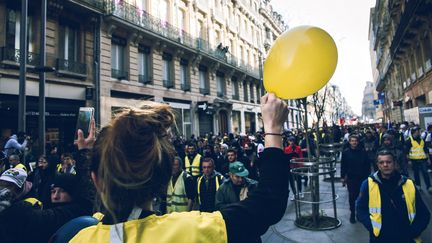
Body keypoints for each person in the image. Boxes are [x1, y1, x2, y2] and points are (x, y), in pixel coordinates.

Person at [70, 93, 290, 243]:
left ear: (95, 179)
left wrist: (86, 154)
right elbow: (268, 202)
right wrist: (272, 127)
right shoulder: (186, 232)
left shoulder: (80, 238)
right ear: (162, 177)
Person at [0, 121, 95, 243]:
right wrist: (84, 152)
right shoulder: (23, 217)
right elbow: (85, 205)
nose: (55, 196)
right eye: (53, 191)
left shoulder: (28, 213)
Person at [356, 150, 430, 242]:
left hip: (406, 238)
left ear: (394, 163)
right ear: (378, 165)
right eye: (381, 162)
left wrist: (414, 231)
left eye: (388, 162)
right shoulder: (368, 184)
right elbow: (360, 209)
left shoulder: (408, 184)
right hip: (380, 238)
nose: (385, 165)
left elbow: (424, 213)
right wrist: (372, 227)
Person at [341, 134, 371, 223]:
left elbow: (367, 165)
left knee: (361, 196)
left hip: (362, 177)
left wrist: (368, 176)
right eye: (352, 141)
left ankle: (359, 213)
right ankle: (352, 213)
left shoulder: (363, 152)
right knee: (352, 196)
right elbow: (343, 165)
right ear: (349, 142)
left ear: (358, 142)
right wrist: (343, 177)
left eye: (355, 141)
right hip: (351, 178)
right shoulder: (346, 152)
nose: (354, 142)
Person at [404, 126, 432, 193]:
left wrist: (428, 159)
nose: (419, 133)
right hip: (414, 160)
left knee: (425, 173)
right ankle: (418, 185)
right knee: (416, 173)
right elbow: (406, 151)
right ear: (413, 133)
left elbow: (425, 150)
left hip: (423, 159)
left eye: (419, 132)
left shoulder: (422, 140)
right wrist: (409, 160)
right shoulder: (409, 140)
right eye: (417, 132)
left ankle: (429, 187)